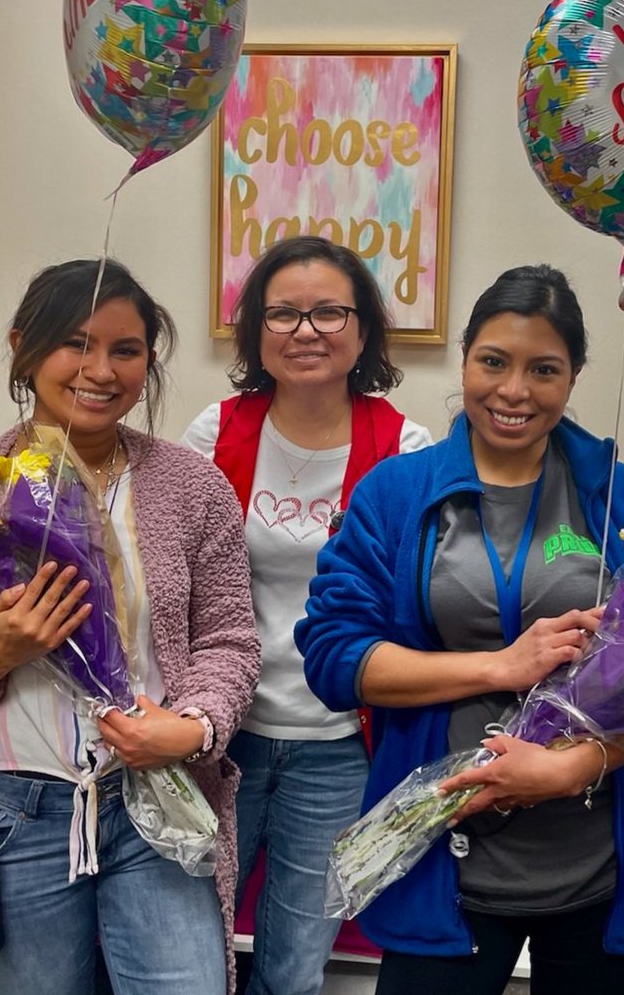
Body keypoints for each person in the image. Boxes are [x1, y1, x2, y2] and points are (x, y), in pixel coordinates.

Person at [296, 264, 624, 995]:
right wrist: (500, 666)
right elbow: (335, 658)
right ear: (465, 360)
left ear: (574, 376)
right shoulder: (396, 494)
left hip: (604, 865)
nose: (514, 391)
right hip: (443, 858)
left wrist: (568, 770)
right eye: (494, 361)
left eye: (543, 369)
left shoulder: (622, 498)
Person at [0, 259, 260, 995]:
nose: (101, 371)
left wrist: (194, 727)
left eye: (125, 350)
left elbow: (228, 641)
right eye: (75, 344)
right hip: (11, 817)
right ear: (24, 348)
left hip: (154, 800)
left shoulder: (192, 488)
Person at [182, 236, 432, 995]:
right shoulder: (214, 433)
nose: (306, 331)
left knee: (293, 969)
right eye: (283, 314)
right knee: (186, 955)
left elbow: (417, 606)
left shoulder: (406, 448)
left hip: (340, 744)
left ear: (363, 329)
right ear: (257, 329)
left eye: (329, 312)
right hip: (220, 736)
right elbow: (175, 585)